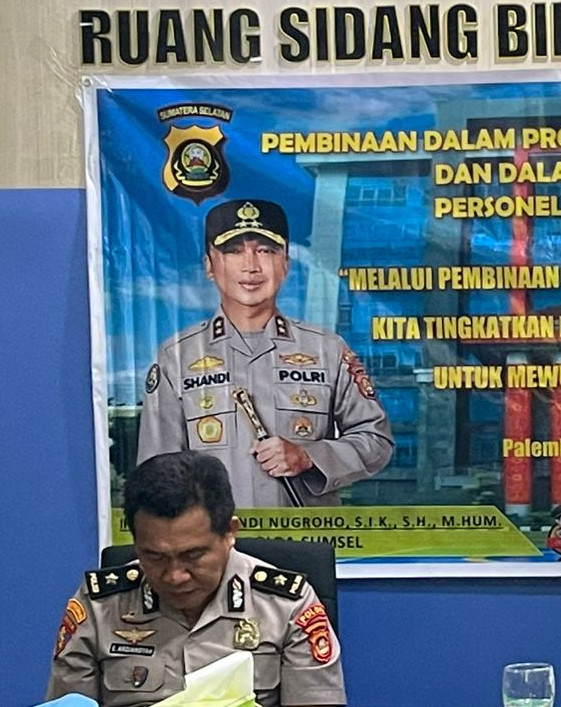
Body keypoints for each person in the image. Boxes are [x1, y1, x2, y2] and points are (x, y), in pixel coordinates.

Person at [49, 452, 346, 707]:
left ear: (230, 532)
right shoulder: (99, 606)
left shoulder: (287, 603)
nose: (175, 576)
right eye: (155, 557)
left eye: (193, 555)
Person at [137, 197, 394, 508]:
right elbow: (157, 472)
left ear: (285, 264)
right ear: (209, 265)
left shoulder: (326, 349)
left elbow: (375, 441)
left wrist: (309, 457)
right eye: (234, 251)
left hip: (305, 534)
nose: (251, 266)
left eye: (266, 251)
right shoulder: (177, 357)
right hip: (216, 536)